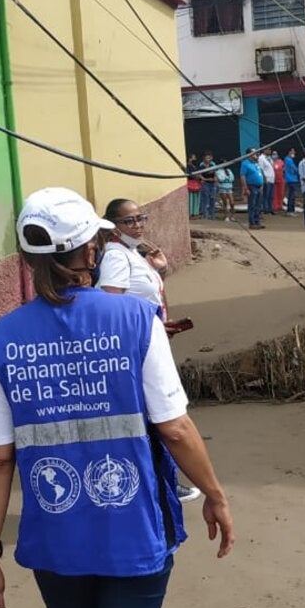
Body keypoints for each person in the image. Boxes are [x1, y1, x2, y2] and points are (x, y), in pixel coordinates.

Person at [0, 187, 235, 608]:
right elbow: (175, 429)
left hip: (55, 536)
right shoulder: (138, 319)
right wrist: (214, 494)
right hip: (133, 529)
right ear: (91, 248)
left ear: (28, 258)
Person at [96, 198, 203, 504]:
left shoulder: (133, 253)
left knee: (155, 418)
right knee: (158, 419)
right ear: (114, 225)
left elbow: (144, 295)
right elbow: (111, 307)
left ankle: (160, 484)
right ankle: (159, 485)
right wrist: (143, 330)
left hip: (150, 342)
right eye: (130, 221)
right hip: (136, 351)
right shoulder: (116, 257)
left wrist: (161, 270)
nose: (138, 225)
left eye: (141, 218)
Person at [240, 147, 265, 229]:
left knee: (258, 205)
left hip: (259, 187)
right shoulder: (245, 163)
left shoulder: (256, 163)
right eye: (254, 153)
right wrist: (245, 188)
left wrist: (262, 185)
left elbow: (260, 174)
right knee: (252, 205)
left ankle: (257, 221)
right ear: (249, 154)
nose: (256, 154)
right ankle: (252, 222)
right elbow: (242, 176)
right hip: (251, 186)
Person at [199, 151, 218, 221]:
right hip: (205, 184)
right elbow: (199, 174)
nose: (208, 159)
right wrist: (205, 179)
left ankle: (212, 215)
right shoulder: (202, 166)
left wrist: (215, 179)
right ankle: (205, 215)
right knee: (205, 199)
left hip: (212, 184)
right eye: (207, 158)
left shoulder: (212, 166)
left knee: (212, 199)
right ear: (204, 159)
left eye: (209, 158)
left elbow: (215, 173)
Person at [256, 148, 276, 217]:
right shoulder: (261, 158)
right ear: (264, 150)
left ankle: (270, 208)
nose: (270, 151)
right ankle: (265, 209)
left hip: (272, 179)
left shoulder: (269, 158)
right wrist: (264, 179)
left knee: (271, 195)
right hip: (266, 179)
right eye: (268, 150)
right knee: (266, 195)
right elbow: (261, 169)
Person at [282, 147, 300, 214]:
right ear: (289, 152)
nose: (294, 153)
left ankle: (291, 209)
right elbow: (294, 169)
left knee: (292, 195)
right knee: (291, 195)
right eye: (293, 151)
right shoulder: (288, 159)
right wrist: (298, 171)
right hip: (291, 179)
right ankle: (290, 210)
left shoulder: (289, 160)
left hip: (292, 179)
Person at [185, 155, 202, 219]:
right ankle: (190, 213)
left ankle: (195, 213)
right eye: (193, 157)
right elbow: (188, 174)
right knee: (190, 199)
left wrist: (199, 178)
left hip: (196, 183)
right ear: (189, 159)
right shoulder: (187, 166)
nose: (195, 159)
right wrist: (196, 176)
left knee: (196, 199)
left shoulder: (195, 166)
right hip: (190, 183)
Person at [270, 150, 286, 215]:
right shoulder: (270, 162)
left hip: (281, 180)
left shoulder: (281, 161)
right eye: (273, 154)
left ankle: (280, 206)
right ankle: (275, 207)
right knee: (274, 194)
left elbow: (284, 169)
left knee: (281, 193)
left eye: (275, 154)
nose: (274, 155)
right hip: (274, 180)